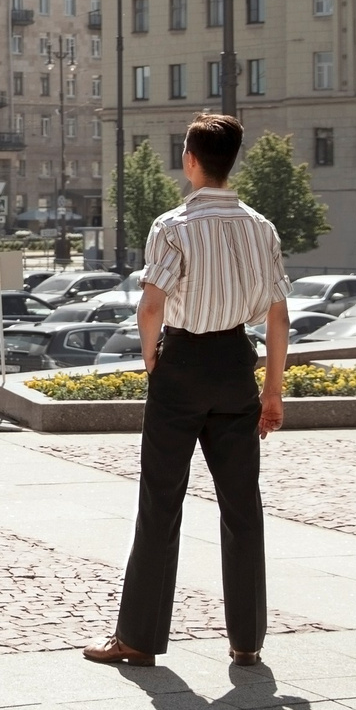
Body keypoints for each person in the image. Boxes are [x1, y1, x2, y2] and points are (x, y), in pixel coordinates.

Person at [83, 112, 288, 669]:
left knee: (161, 503)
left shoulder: (172, 226)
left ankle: (138, 640)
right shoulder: (261, 228)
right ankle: (247, 641)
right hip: (234, 365)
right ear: (232, 162)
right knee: (243, 507)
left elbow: (151, 306)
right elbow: (278, 317)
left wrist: (154, 361)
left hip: (182, 364)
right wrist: (272, 390)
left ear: (190, 160)